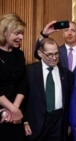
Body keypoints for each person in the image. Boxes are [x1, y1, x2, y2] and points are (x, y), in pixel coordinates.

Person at [23, 38, 74, 141]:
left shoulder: (67, 74)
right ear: (40, 53)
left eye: (56, 54)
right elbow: (23, 98)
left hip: (59, 122)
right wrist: (25, 121)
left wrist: (69, 124)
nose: (54, 58)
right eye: (50, 54)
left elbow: (70, 101)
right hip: (36, 122)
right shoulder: (29, 72)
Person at [0, 13, 26, 141]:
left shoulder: (19, 54)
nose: (21, 37)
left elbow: (23, 84)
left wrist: (15, 109)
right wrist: (11, 109)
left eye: (22, 33)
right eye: (17, 33)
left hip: (16, 116)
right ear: (5, 32)